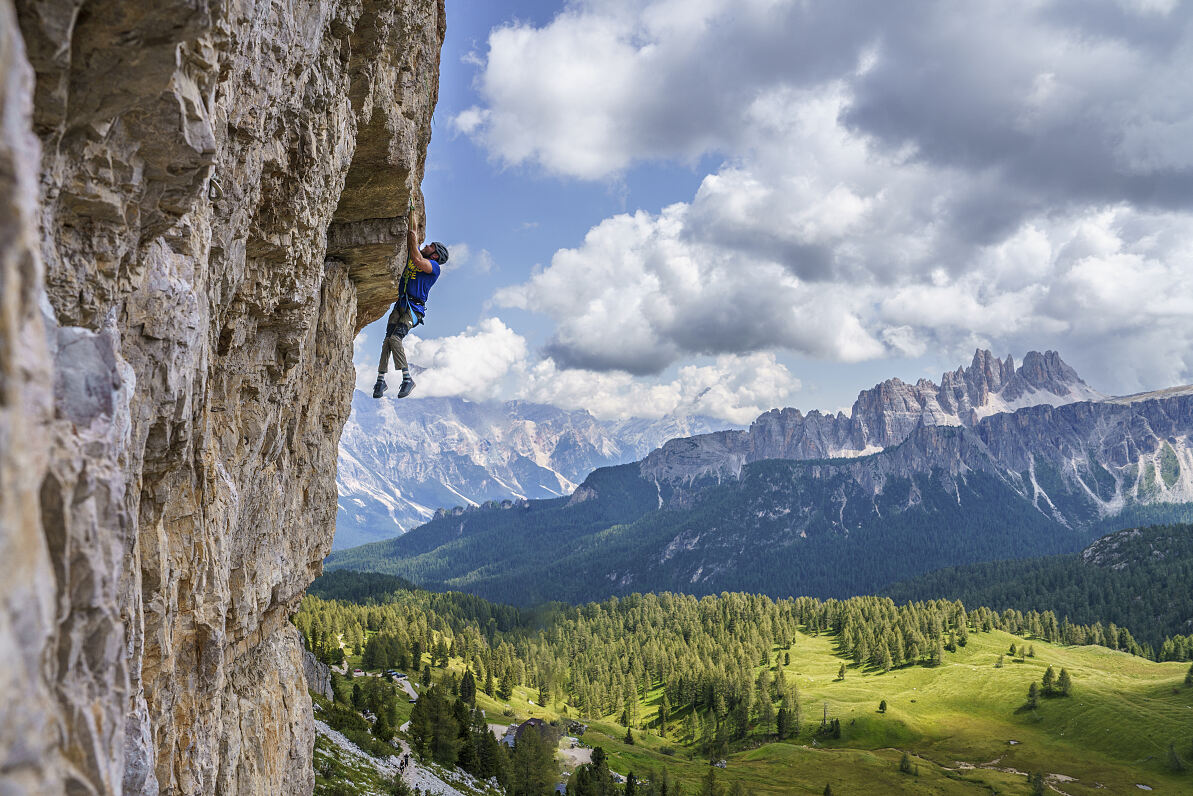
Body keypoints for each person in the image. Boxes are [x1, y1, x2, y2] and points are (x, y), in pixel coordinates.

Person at [374, 215, 448, 398]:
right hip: (401, 305)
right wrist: (412, 209)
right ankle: (380, 381)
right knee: (387, 340)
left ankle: (407, 379)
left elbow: (416, 259)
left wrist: (413, 238)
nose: (427, 245)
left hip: (414, 309)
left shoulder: (433, 267)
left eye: (431, 246)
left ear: (435, 255)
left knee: (394, 339)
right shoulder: (420, 257)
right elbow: (413, 229)